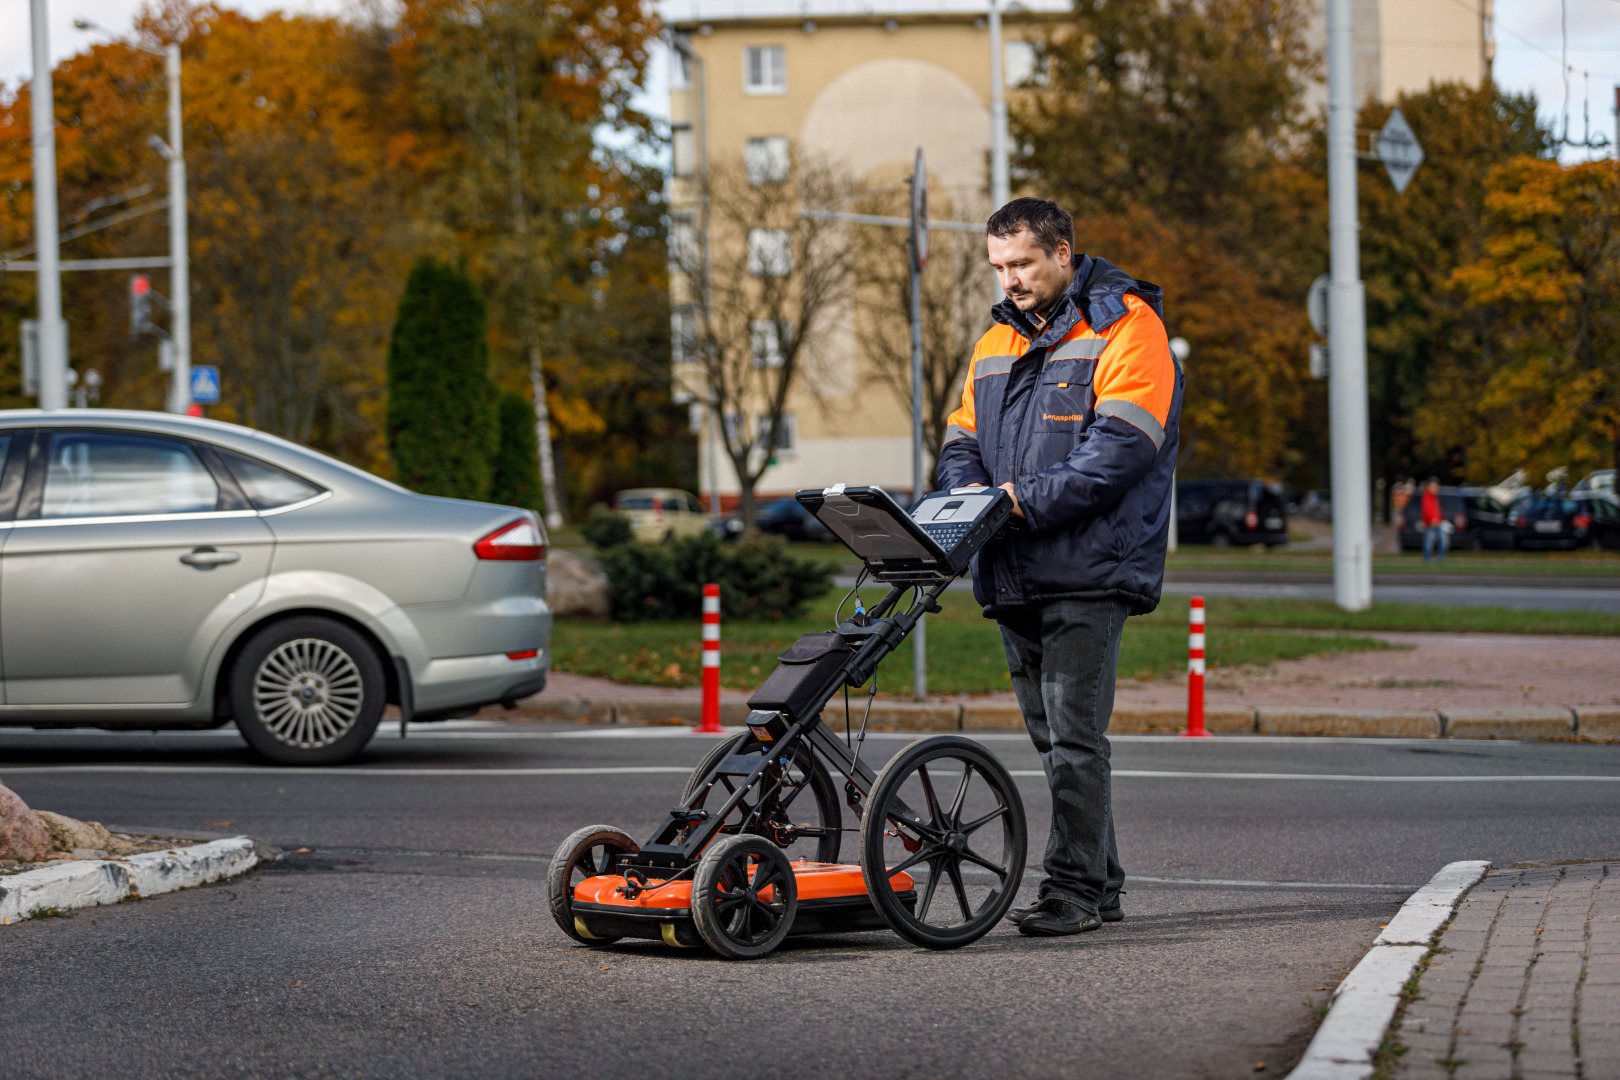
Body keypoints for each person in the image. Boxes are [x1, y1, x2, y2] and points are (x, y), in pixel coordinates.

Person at [935, 199, 1182, 937]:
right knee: (1054, 743)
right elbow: (958, 442)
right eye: (998, 267)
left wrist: (1011, 504)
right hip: (1013, 567)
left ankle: (1071, 891)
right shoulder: (993, 344)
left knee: (1075, 739)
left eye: (1022, 264)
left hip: (1089, 567)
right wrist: (967, 501)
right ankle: (1101, 884)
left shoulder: (1128, 327)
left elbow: (1119, 454)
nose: (1008, 279)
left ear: (1064, 252)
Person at [1421, 477, 1448, 563]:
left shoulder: (1435, 497)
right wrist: (1432, 518)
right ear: (1429, 486)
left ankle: (1441, 557)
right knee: (1429, 541)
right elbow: (1427, 509)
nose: (1436, 488)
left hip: (1438, 522)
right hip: (1430, 523)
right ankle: (1427, 558)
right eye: (1434, 486)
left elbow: (1438, 509)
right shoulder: (1427, 496)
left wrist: (1441, 517)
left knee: (1442, 540)